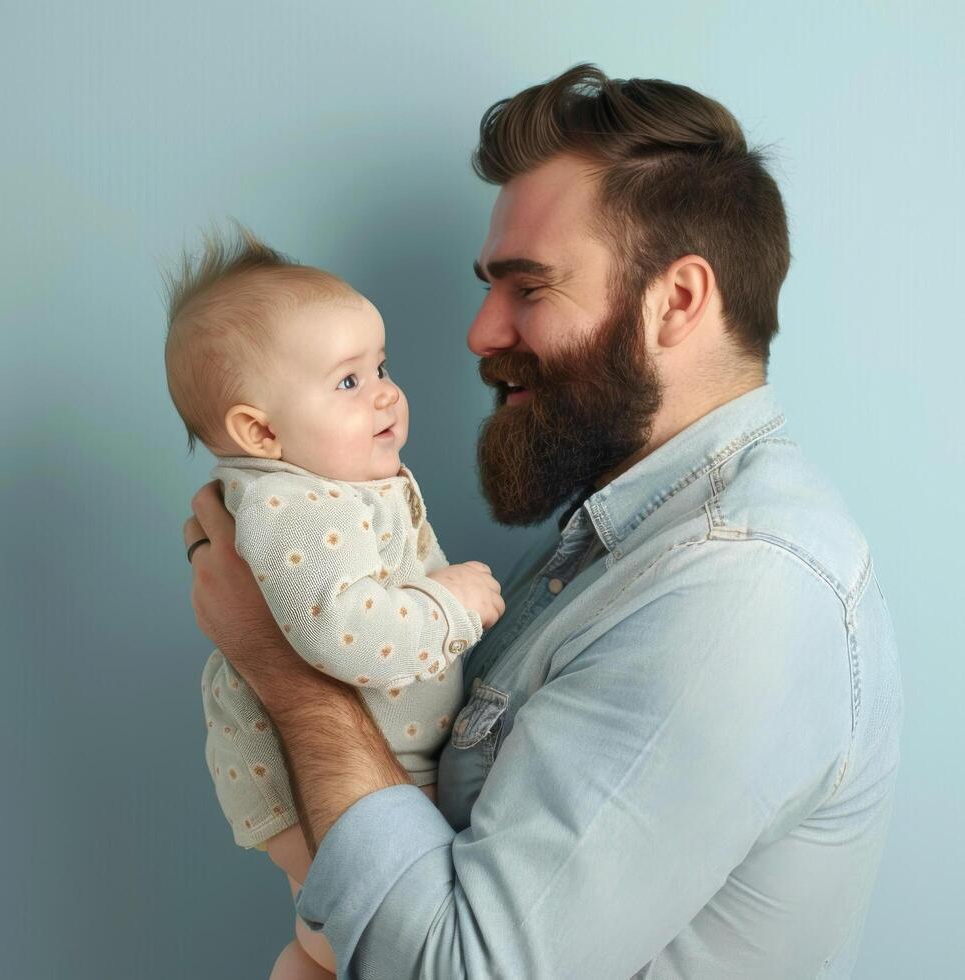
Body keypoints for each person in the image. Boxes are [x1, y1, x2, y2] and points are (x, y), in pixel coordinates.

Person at [182, 64, 903, 979]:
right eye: (490, 287)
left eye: (527, 287)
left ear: (676, 302)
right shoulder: (611, 544)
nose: (481, 332)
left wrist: (283, 665)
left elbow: (461, 967)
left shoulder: (740, 593)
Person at [163, 229, 504, 977]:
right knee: (357, 934)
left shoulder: (324, 483)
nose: (386, 391)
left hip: (374, 757)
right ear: (260, 431)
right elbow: (345, 632)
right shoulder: (294, 504)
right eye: (348, 382)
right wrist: (451, 605)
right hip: (323, 771)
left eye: (381, 367)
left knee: (327, 949)